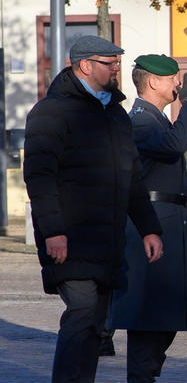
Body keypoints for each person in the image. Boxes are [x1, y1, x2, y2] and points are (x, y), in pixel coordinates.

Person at [23, 36, 164, 383]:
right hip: (69, 239)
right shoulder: (52, 112)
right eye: (109, 63)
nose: (117, 69)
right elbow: (39, 176)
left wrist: (149, 227)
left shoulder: (115, 114)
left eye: (117, 62)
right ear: (85, 65)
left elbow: (132, 178)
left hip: (107, 240)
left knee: (95, 327)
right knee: (83, 314)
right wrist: (53, 230)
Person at [108, 56, 187, 383]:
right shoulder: (140, 120)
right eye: (173, 80)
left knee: (164, 316)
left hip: (167, 223)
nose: (178, 85)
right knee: (150, 317)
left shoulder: (156, 119)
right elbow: (173, 146)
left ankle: (145, 375)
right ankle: (141, 377)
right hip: (150, 227)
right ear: (153, 82)